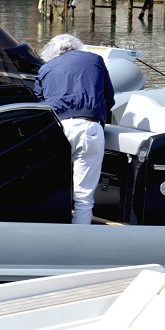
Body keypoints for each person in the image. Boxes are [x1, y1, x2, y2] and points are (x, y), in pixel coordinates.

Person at [34, 34, 115, 226]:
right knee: (83, 197)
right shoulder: (95, 60)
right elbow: (109, 98)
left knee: (53, 190)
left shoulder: (45, 68)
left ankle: (53, 234)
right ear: (77, 46)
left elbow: (38, 103)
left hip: (58, 131)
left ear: (52, 52)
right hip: (88, 128)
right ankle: (79, 239)